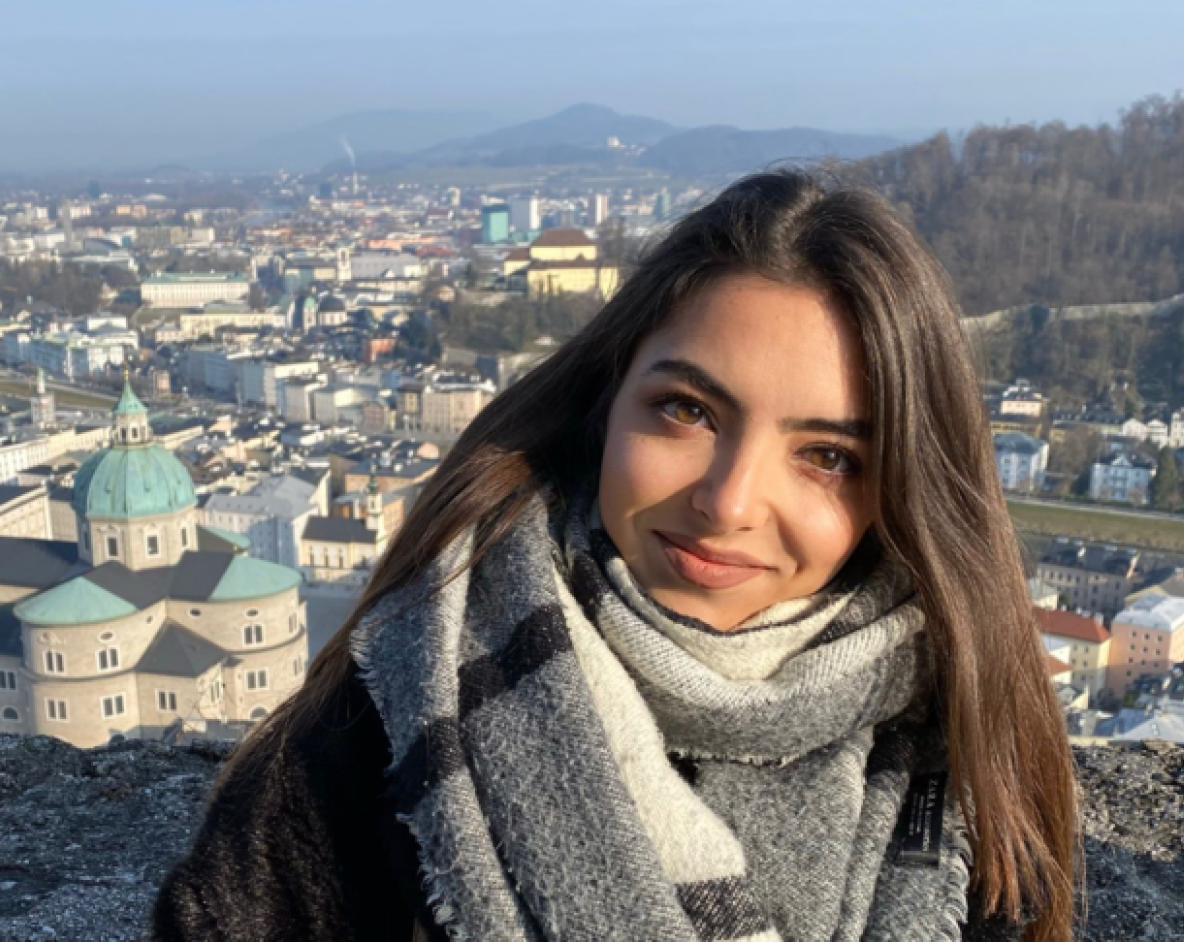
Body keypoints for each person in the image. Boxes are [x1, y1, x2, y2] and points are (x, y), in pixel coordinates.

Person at [152, 170, 1079, 942]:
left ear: (900, 490)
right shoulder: (388, 716)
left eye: (829, 457)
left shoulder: (967, 762)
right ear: (609, 399)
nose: (729, 501)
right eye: (688, 410)